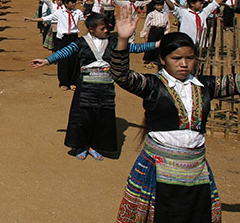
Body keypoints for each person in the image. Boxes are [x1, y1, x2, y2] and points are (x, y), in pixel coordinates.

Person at [109, 8, 240, 223]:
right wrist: (123, 41)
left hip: (195, 170)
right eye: (177, 58)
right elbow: (122, 75)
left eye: (189, 58)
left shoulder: (206, 86)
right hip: (158, 167)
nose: (183, 64)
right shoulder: (152, 85)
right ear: (163, 59)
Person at [30, 12, 157, 160]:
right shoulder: (81, 42)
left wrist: (157, 44)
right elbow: (64, 52)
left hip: (106, 87)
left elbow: (134, 48)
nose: (106, 31)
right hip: (85, 87)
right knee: (83, 117)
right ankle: (82, 145)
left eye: (107, 28)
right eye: (102, 28)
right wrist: (47, 60)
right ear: (91, 29)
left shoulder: (113, 42)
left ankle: (95, 146)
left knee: (103, 117)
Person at [25, 0, 84, 90]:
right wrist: (32, 19)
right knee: (63, 60)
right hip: (63, 38)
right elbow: (46, 18)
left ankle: (73, 81)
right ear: (66, 3)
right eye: (71, 2)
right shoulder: (59, 13)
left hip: (74, 37)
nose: (74, 4)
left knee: (75, 60)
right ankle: (64, 83)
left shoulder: (78, 12)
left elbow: (84, 20)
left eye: (74, 2)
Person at [140, 0, 169, 65]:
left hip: (161, 30)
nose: (159, 7)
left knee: (159, 45)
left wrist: (166, 32)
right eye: (157, 5)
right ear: (154, 6)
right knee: (151, 44)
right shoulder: (151, 14)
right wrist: (144, 33)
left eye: (161, 5)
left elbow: (167, 24)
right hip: (154, 30)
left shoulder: (165, 14)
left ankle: (157, 59)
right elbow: (147, 24)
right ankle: (148, 58)